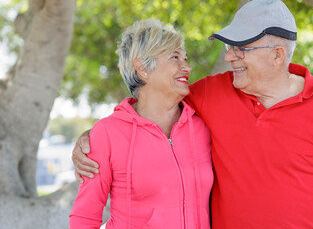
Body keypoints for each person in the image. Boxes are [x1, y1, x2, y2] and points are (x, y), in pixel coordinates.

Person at [72, 0, 313, 228]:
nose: (229, 56)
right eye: (228, 47)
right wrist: (92, 139)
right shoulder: (211, 93)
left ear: (277, 56)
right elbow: (150, 102)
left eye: (241, 48)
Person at [69, 18, 213, 229]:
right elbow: (85, 217)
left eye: (185, 58)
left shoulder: (202, 127)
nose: (187, 67)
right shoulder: (107, 134)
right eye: (175, 57)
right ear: (143, 68)